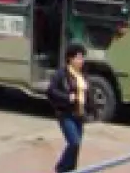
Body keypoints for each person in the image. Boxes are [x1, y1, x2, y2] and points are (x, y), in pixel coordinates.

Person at [46, 43, 92, 172]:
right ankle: (61, 168)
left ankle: (71, 170)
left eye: (82, 58)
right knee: (74, 142)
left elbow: (87, 93)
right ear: (70, 59)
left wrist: (91, 109)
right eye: (78, 58)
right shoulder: (62, 74)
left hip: (80, 115)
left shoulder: (83, 74)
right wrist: (68, 97)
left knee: (76, 147)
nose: (81, 61)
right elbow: (51, 91)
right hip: (66, 114)